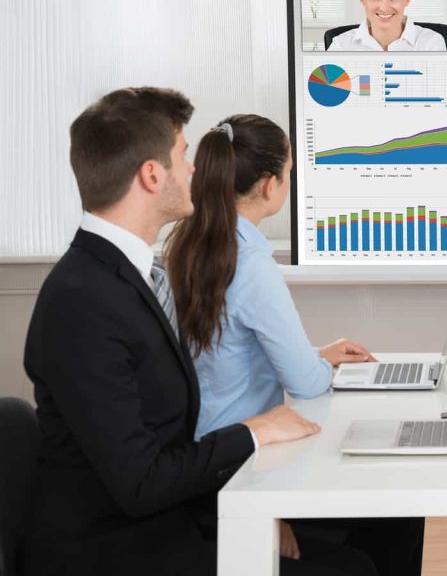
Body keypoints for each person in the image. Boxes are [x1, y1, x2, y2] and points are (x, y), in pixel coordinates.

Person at [22, 88, 326, 576]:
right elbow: (141, 481)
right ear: (151, 174)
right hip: (117, 549)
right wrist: (252, 432)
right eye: (183, 156)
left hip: (168, 518)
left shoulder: (135, 275)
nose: (194, 171)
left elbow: (166, 441)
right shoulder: (83, 301)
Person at [164, 114, 423, 576]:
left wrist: (317, 354)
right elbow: (305, 386)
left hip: (207, 453)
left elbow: (231, 354)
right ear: (269, 185)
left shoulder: (188, 244)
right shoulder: (251, 265)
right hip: (237, 464)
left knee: (389, 519)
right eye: (289, 171)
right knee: (397, 518)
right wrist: (315, 366)